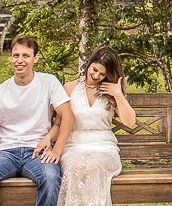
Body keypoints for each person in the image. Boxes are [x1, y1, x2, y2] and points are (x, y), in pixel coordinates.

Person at [0, 35, 75, 206]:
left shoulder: (48, 82)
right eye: (16, 55)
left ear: (35, 58)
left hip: (37, 152)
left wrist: (56, 150)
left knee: (51, 179)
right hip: (5, 152)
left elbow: (68, 116)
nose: (20, 60)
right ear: (10, 58)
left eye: (25, 56)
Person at [50, 46, 137, 206]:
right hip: (74, 146)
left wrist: (118, 95)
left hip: (104, 148)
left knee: (94, 167)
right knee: (74, 168)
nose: (96, 76)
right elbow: (59, 123)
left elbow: (130, 122)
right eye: (94, 70)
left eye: (102, 74)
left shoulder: (110, 92)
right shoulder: (70, 88)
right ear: (89, 64)